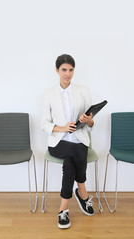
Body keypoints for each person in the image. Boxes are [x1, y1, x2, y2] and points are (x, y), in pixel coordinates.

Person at [41, 54, 95, 229]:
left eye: (71, 70)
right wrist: (63, 128)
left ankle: (63, 210)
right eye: (64, 70)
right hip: (59, 142)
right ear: (57, 71)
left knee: (70, 162)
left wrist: (87, 121)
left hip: (79, 138)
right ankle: (83, 192)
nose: (68, 74)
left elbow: (92, 122)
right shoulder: (49, 93)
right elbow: (43, 123)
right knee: (75, 152)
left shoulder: (83, 90)